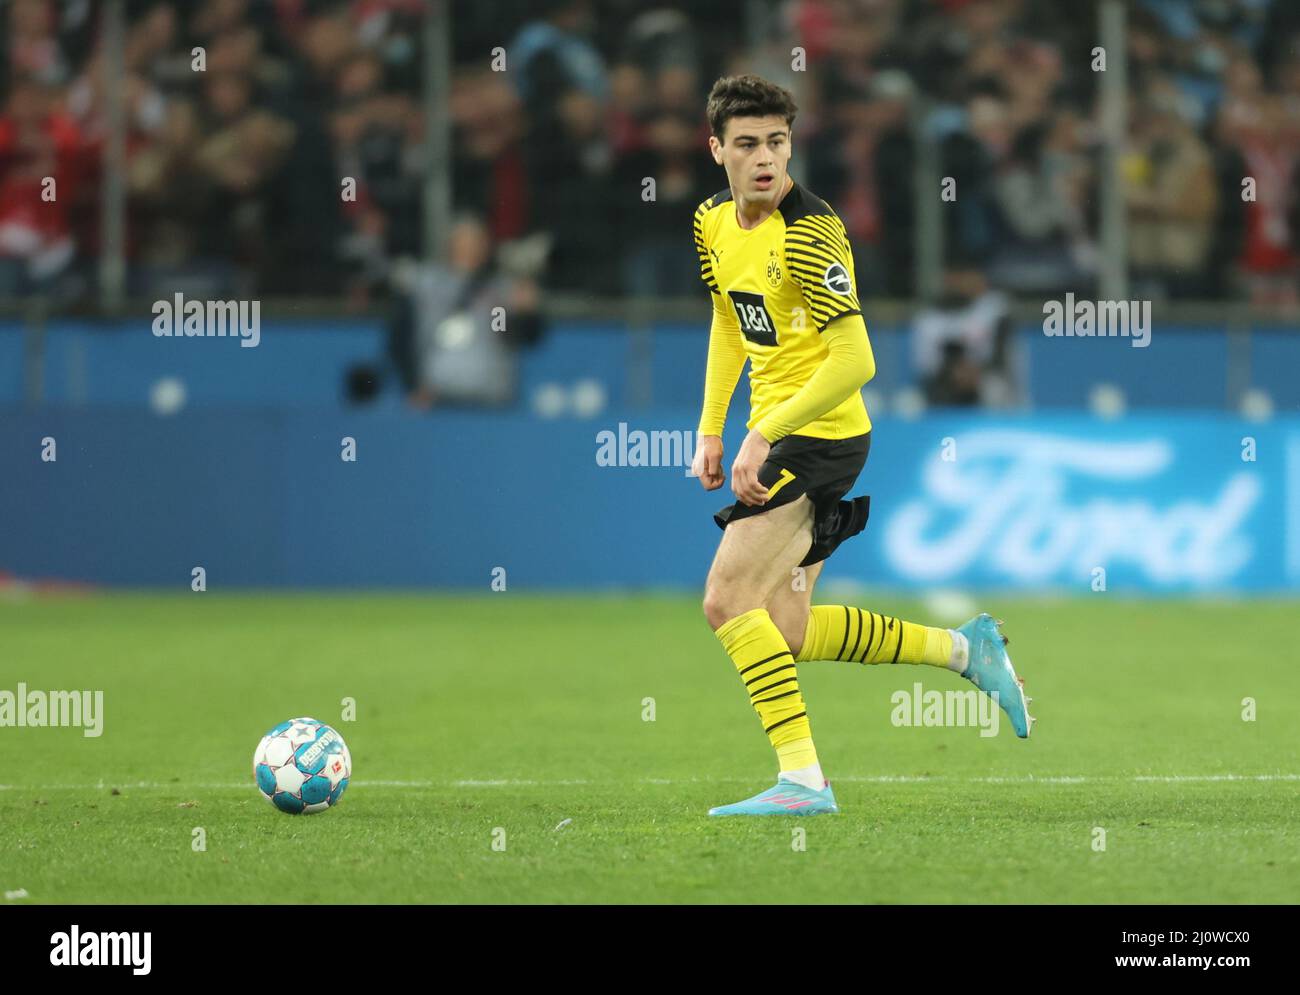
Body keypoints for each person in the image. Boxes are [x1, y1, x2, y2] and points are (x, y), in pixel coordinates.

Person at [689, 75, 1033, 818]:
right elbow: (727, 321)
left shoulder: (812, 231)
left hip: (819, 436)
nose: (763, 159)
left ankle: (804, 781)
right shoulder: (711, 221)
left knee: (725, 598)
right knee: (784, 627)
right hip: (779, 431)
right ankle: (966, 650)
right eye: (746, 144)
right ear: (715, 149)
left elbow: (856, 361)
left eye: (776, 142)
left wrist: (762, 430)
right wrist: (712, 425)